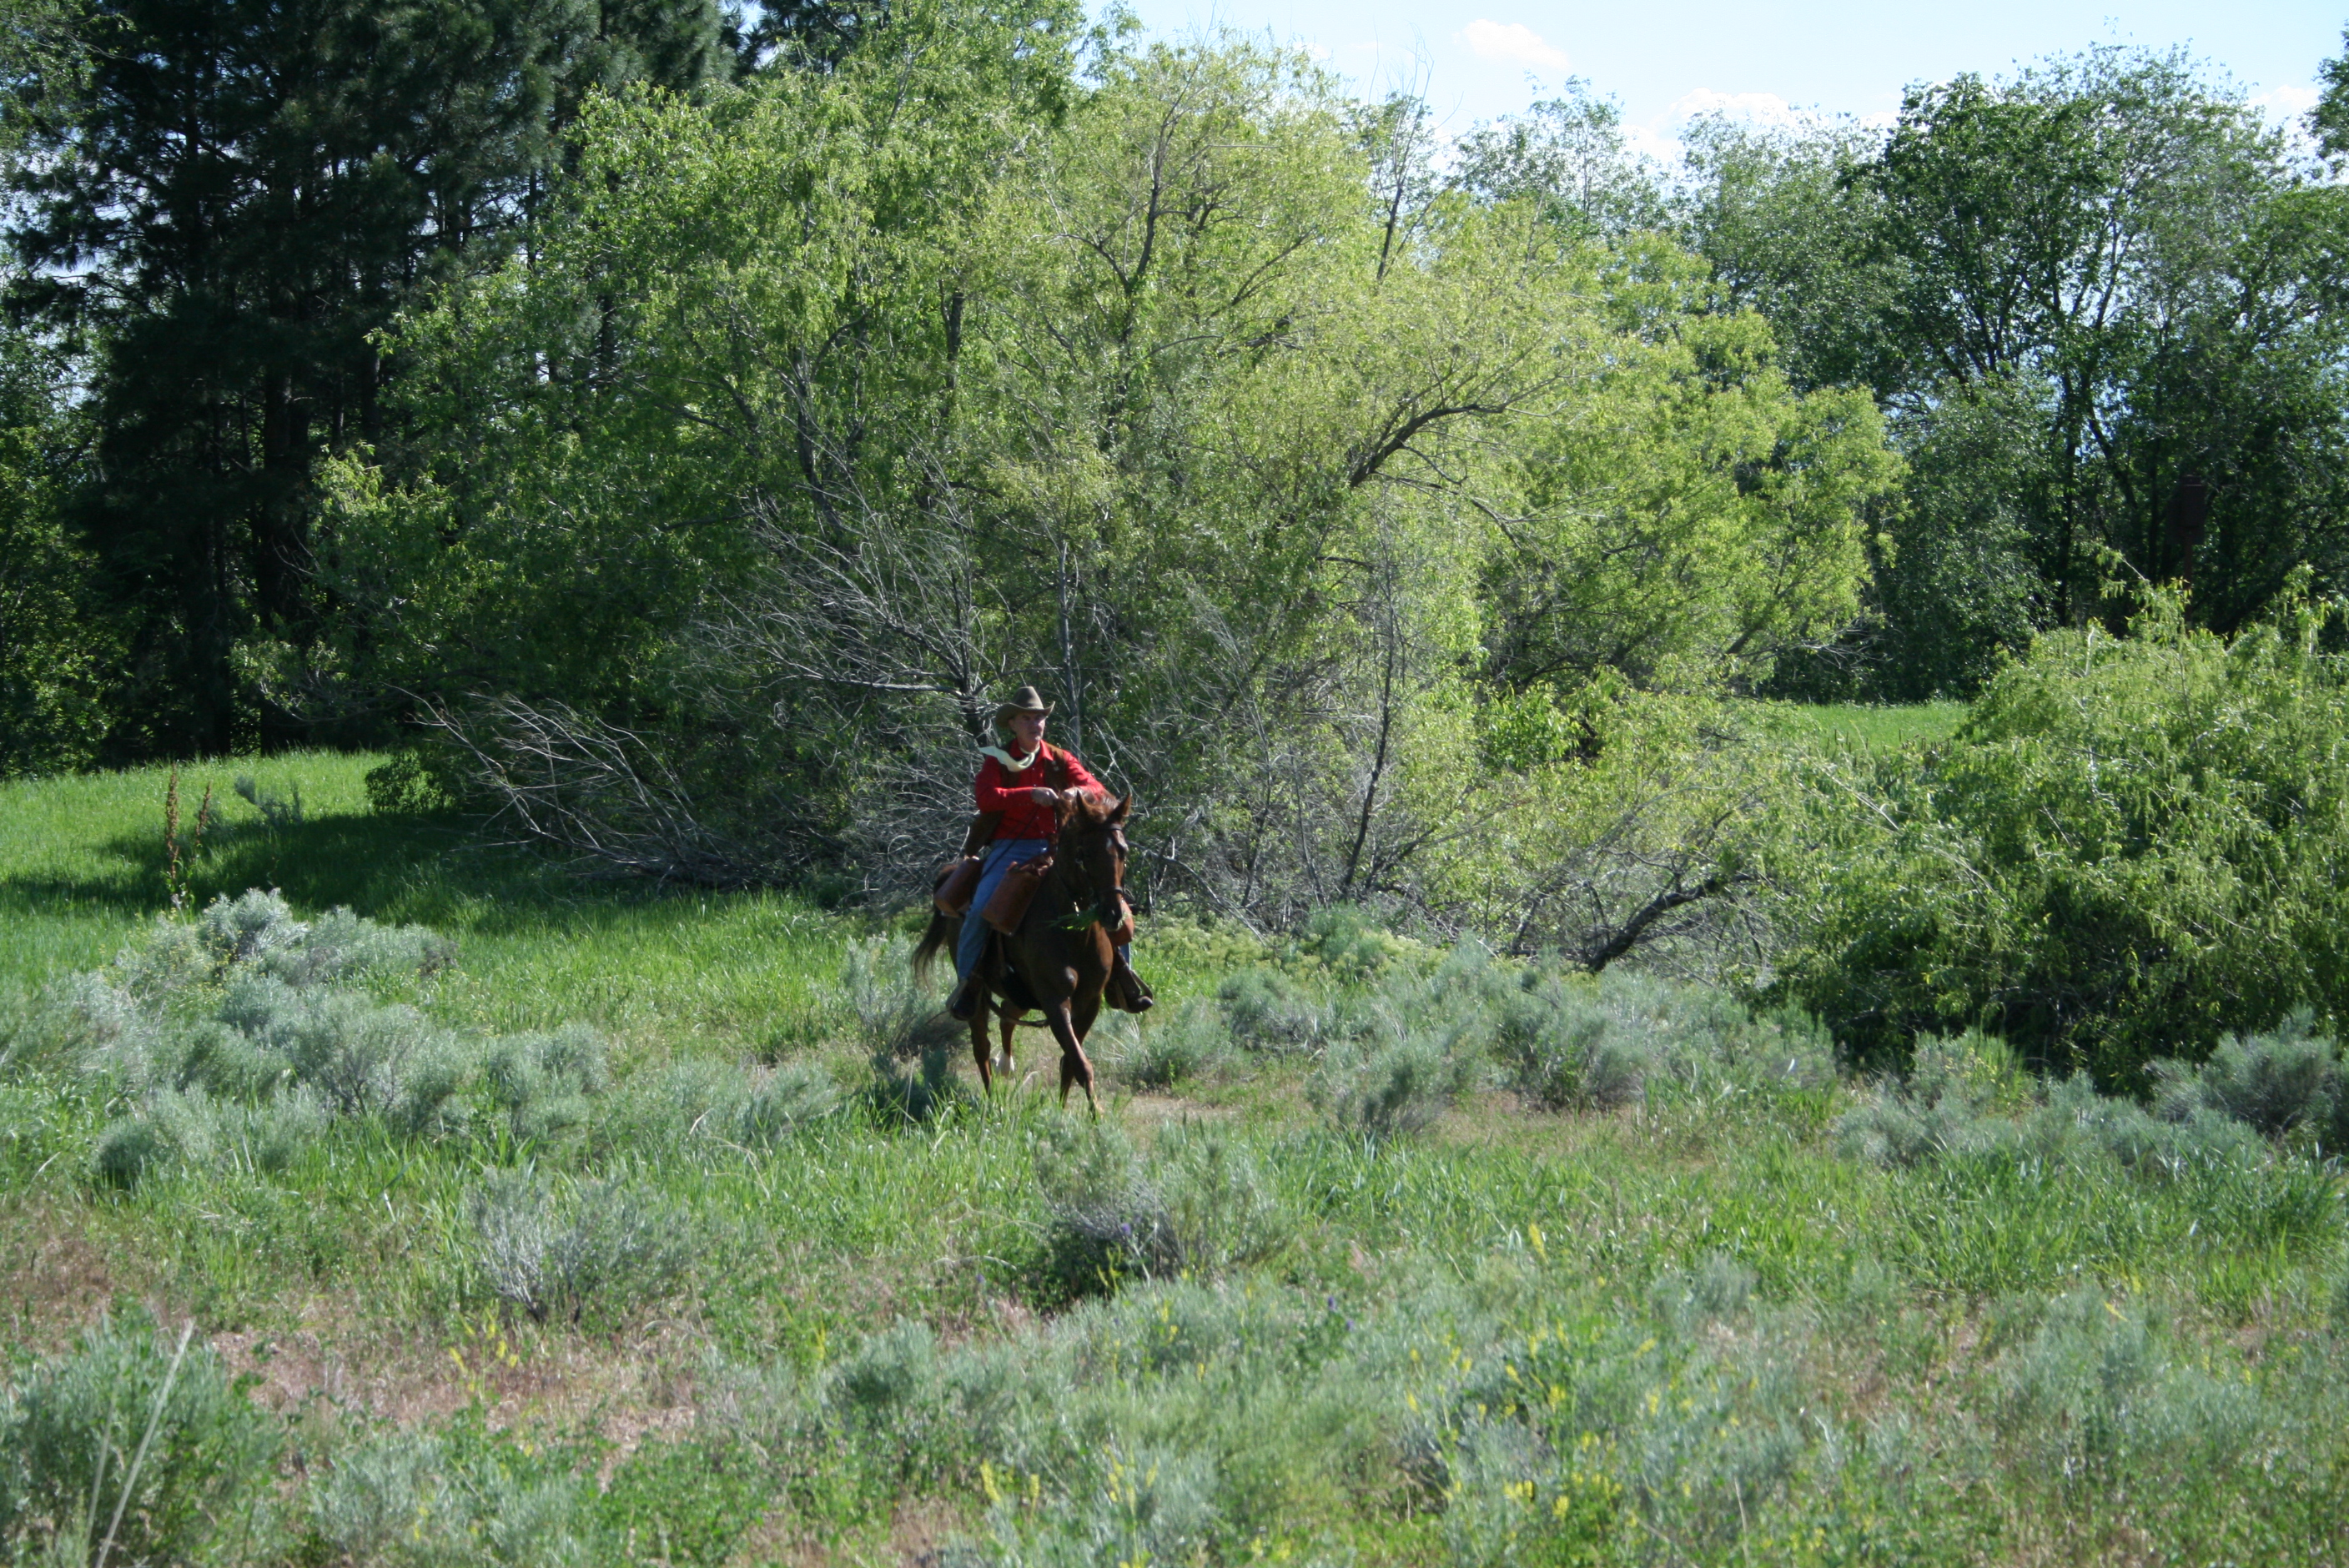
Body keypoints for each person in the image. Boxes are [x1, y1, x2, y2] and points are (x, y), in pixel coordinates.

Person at [948, 686, 1153, 1022]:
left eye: (1040, 718)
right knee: (980, 909)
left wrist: (1077, 790)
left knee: (1112, 903)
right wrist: (1028, 794)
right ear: (1012, 724)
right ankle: (969, 985)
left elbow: (1100, 790)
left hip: (1060, 847)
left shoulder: (1060, 758)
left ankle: (1122, 978)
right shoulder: (997, 760)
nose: (1035, 724)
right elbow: (986, 798)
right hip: (1011, 846)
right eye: (1027, 718)